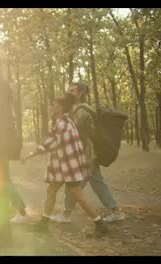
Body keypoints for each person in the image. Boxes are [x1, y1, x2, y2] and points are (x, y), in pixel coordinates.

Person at [22, 94, 109, 237]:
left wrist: (28, 156)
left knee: (78, 196)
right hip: (66, 167)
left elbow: (47, 145)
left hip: (70, 167)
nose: (52, 107)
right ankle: (43, 224)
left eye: (54, 105)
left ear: (61, 107)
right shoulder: (67, 121)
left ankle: (100, 224)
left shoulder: (62, 124)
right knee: (51, 190)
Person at [51, 83, 126, 223]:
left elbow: (79, 133)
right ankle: (115, 211)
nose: (70, 93)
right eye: (69, 90)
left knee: (74, 185)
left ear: (81, 93)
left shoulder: (81, 110)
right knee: (94, 182)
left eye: (73, 91)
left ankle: (67, 214)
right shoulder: (81, 109)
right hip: (90, 154)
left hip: (86, 155)